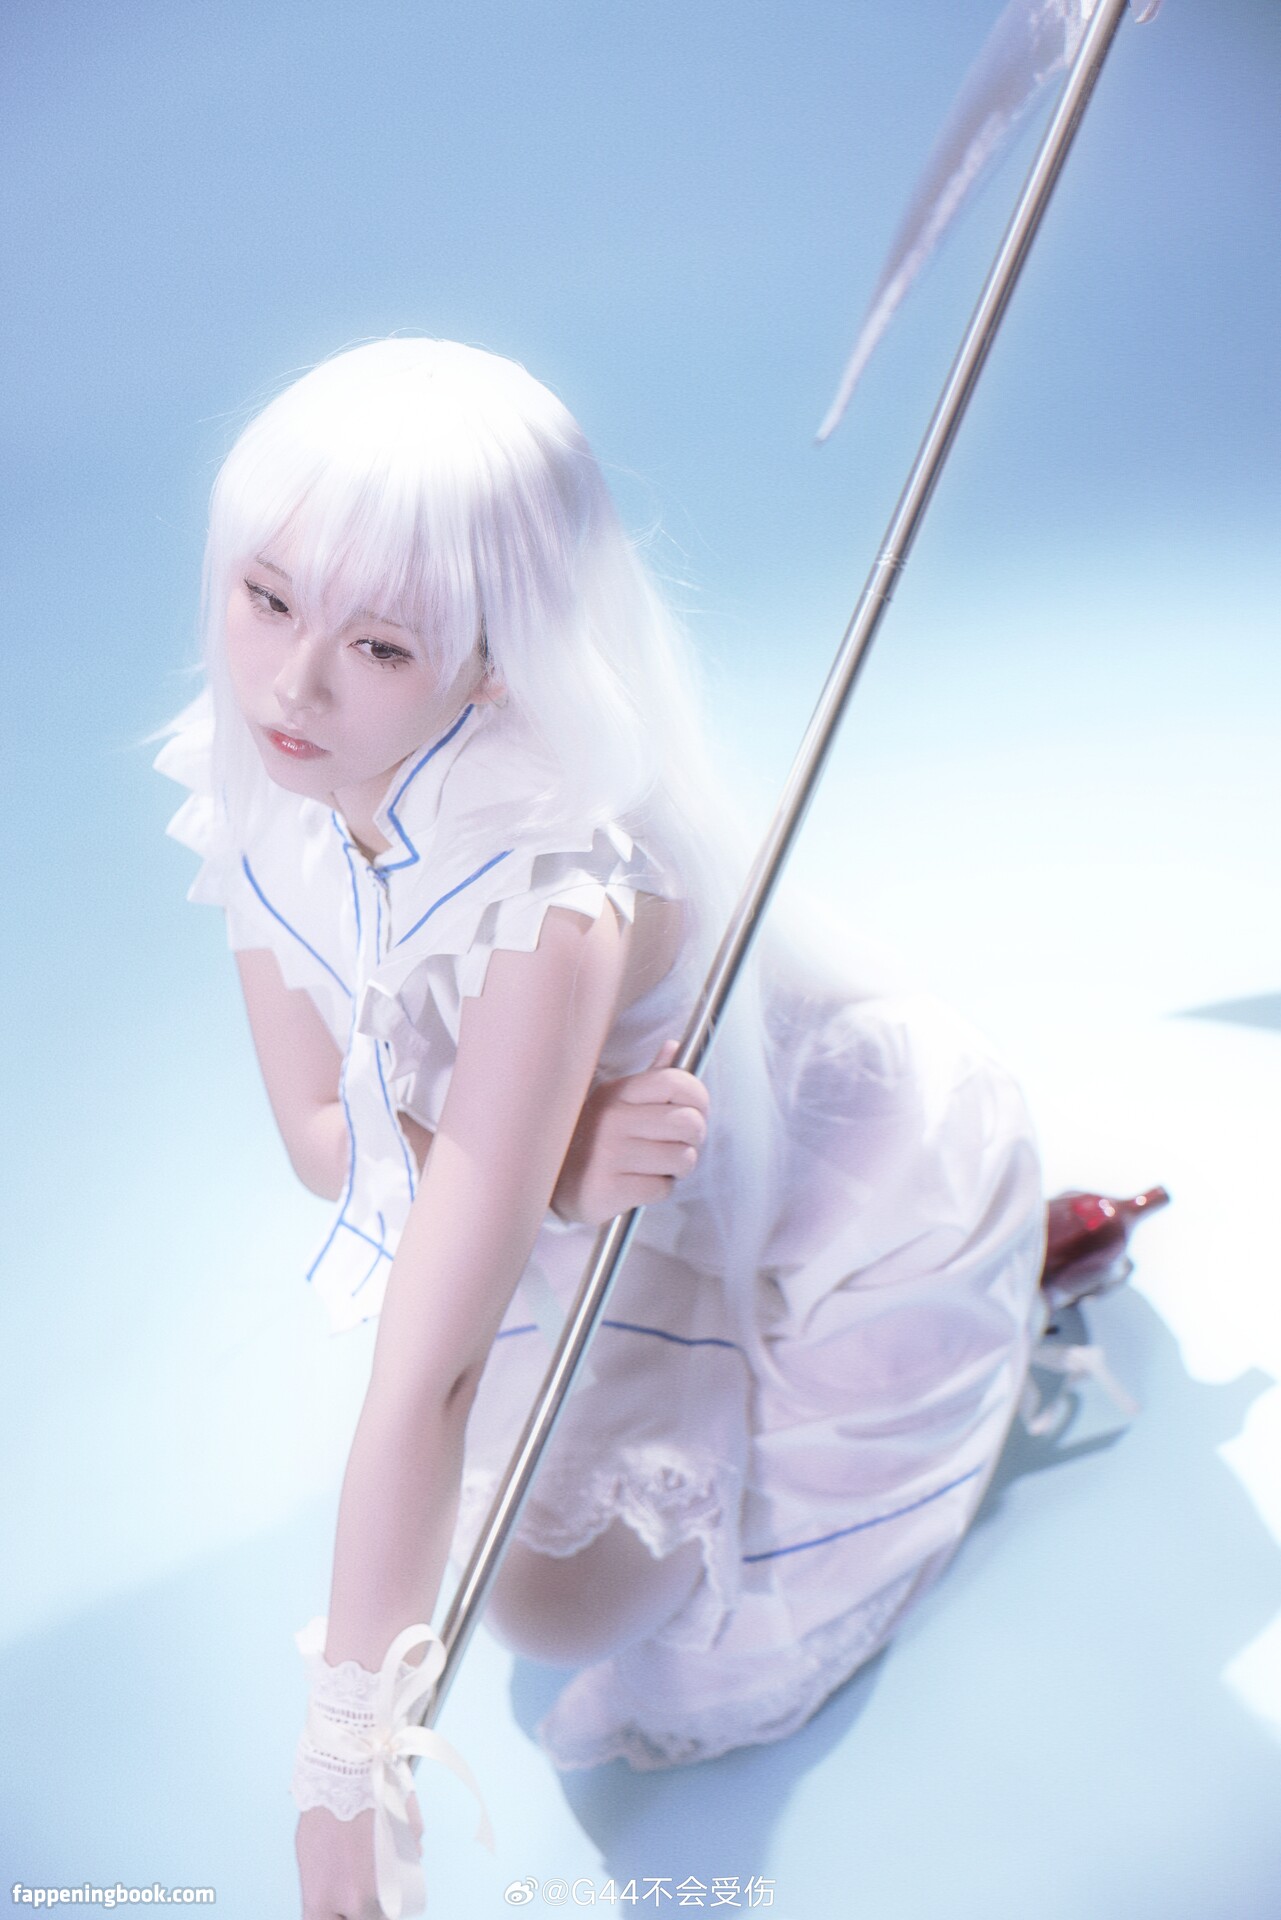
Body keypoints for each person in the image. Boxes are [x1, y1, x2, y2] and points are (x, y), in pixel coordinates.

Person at [156, 337, 1047, 1920]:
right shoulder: (267, 775)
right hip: (585, 1195)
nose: (291, 685)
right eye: (267, 598)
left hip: (840, 1197)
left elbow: (427, 1364)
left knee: (560, 1611)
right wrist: (556, 1165)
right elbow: (312, 1131)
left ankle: (1002, 1318)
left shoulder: (547, 892)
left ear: (493, 663)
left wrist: (343, 1772)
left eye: (379, 643)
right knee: (535, 1591)